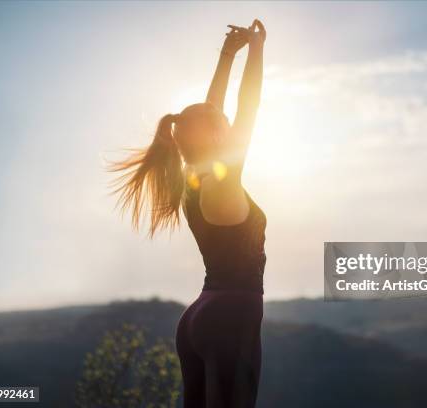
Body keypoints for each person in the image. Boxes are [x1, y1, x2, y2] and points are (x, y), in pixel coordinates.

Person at [110, 19, 267, 408]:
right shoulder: (223, 179)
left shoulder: (193, 179)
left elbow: (210, 111)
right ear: (215, 135)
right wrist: (258, 50)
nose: (230, 124)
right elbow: (249, 107)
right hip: (233, 316)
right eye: (224, 125)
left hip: (201, 315)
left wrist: (229, 55)